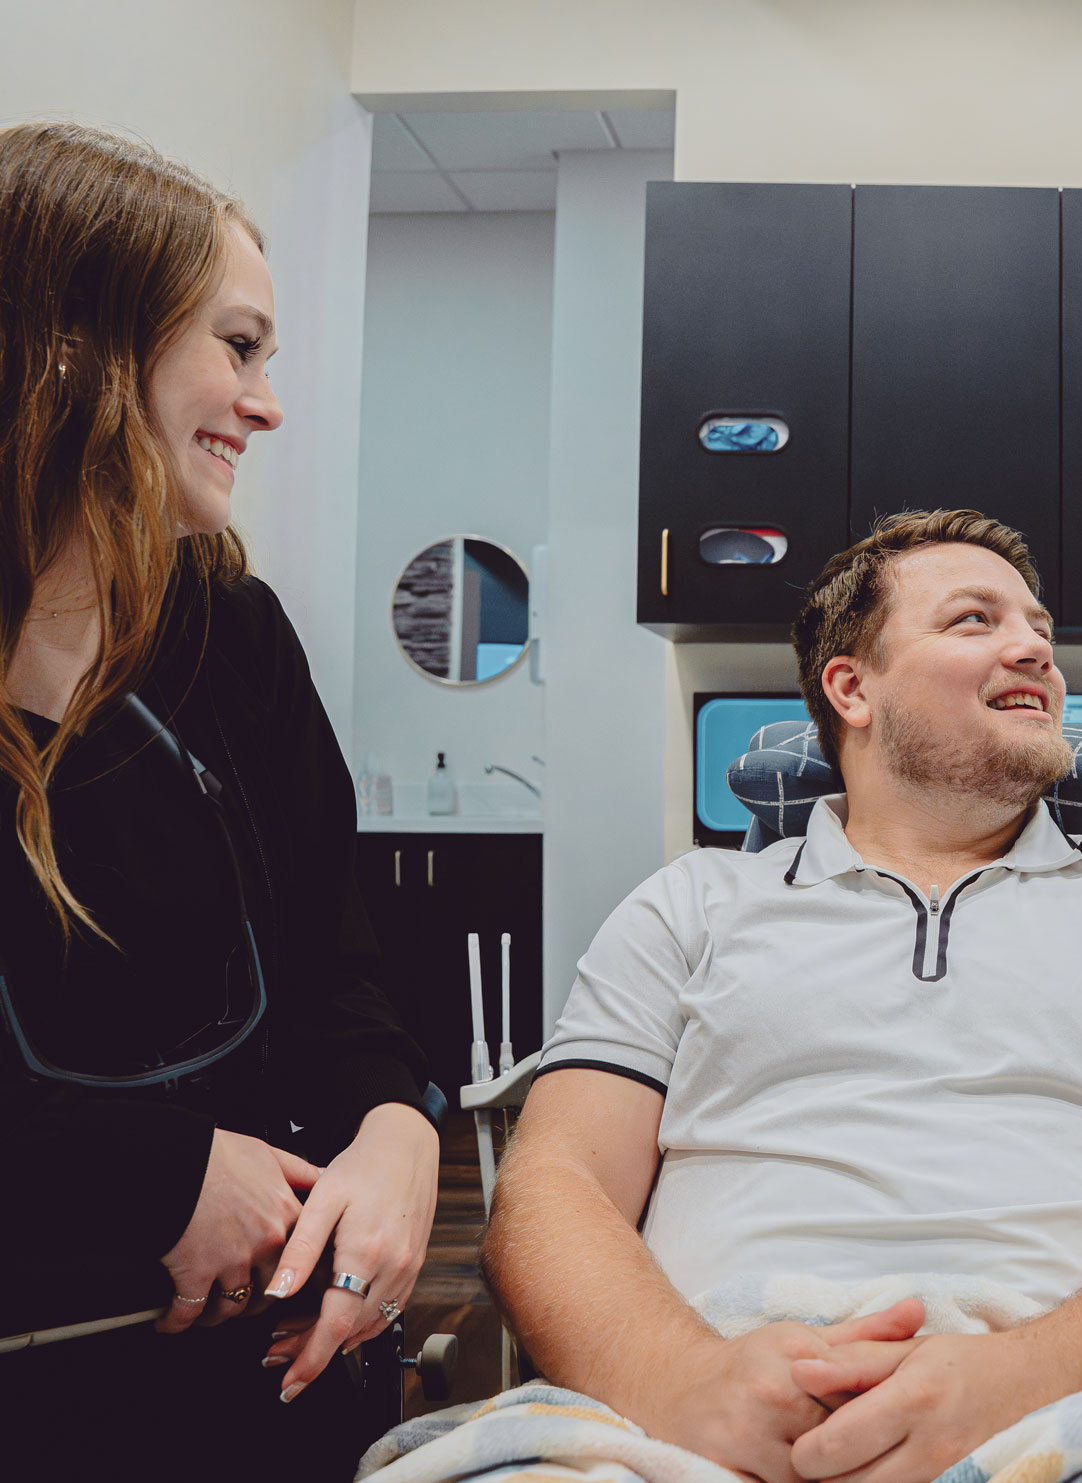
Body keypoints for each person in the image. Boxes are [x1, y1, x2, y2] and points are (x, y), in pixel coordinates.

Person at [482, 509, 1082, 1483]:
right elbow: (551, 1187)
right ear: (852, 686)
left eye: (1041, 629)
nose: (1035, 650)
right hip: (705, 1413)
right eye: (975, 620)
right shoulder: (691, 905)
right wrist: (682, 1382)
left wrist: (1020, 1379)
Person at [0, 122, 440, 1476]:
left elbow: (338, 972)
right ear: (79, 343)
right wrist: (154, 1168)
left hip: (269, 1374)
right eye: (237, 347)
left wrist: (399, 1133)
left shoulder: (228, 634)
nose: (267, 401)